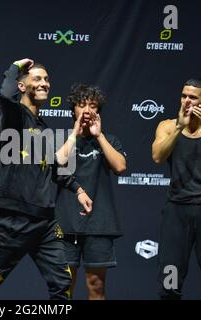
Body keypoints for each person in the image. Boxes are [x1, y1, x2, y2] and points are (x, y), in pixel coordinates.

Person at [0, 58, 93, 300]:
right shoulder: (16, 117)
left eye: (47, 80)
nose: (45, 84)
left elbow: (53, 168)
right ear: (22, 86)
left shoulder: (43, 127)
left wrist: (78, 189)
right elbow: (4, 95)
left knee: (63, 283)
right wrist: (14, 66)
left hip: (45, 223)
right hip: (15, 222)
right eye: (38, 79)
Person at [152, 78, 201, 299]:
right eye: (183, 96)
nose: (186, 101)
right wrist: (180, 127)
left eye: (193, 97)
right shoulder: (167, 126)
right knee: (170, 282)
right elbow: (158, 157)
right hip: (176, 212)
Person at [55, 84, 126, 300]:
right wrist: (74, 134)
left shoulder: (109, 140)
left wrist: (99, 136)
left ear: (98, 111)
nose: (87, 110)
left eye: (92, 105)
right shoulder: (62, 138)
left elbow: (120, 167)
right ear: (73, 110)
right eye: (81, 105)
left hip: (99, 224)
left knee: (96, 285)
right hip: (65, 224)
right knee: (63, 286)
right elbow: (57, 164)